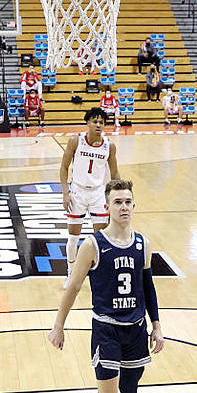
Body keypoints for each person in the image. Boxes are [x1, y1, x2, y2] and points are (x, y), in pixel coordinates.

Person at [48, 179, 164, 393]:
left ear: (134, 206)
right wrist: (58, 326)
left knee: (130, 390)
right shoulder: (93, 245)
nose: (123, 207)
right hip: (106, 330)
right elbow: (73, 286)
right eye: (117, 202)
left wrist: (156, 325)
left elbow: (147, 287)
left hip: (136, 329)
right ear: (107, 207)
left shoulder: (143, 244)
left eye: (128, 202)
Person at [59, 107, 120, 288]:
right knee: (72, 237)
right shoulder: (75, 141)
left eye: (101, 122)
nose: (98, 125)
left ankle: (98, 274)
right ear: (88, 123)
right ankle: (71, 273)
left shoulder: (110, 146)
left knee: (99, 238)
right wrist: (65, 193)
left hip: (98, 193)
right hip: (77, 191)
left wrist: (117, 196)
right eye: (95, 121)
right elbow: (64, 167)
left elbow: (115, 172)